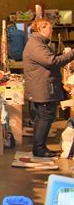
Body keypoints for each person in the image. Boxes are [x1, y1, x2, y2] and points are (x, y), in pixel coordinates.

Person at [23, 18, 74, 158]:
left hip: (40, 86)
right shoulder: (36, 44)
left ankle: (39, 147)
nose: (52, 31)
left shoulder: (37, 43)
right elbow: (51, 61)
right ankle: (39, 149)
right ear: (41, 29)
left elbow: (49, 59)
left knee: (42, 118)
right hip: (42, 88)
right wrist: (71, 54)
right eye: (49, 28)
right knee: (45, 117)